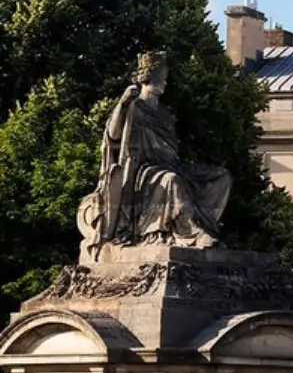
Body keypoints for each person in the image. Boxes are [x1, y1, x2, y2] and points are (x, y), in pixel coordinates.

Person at [78, 52, 233, 258]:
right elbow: (113, 136)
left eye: (165, 77)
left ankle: (204, 225)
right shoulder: (133, 106)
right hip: (144, 172)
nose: (165, 82)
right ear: (147, 77)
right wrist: (122, 103)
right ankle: (190, 232)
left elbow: (171, 150)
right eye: (161, 76)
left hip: (173, 165)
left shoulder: (165, 113)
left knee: (222, 177)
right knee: (171, 181)